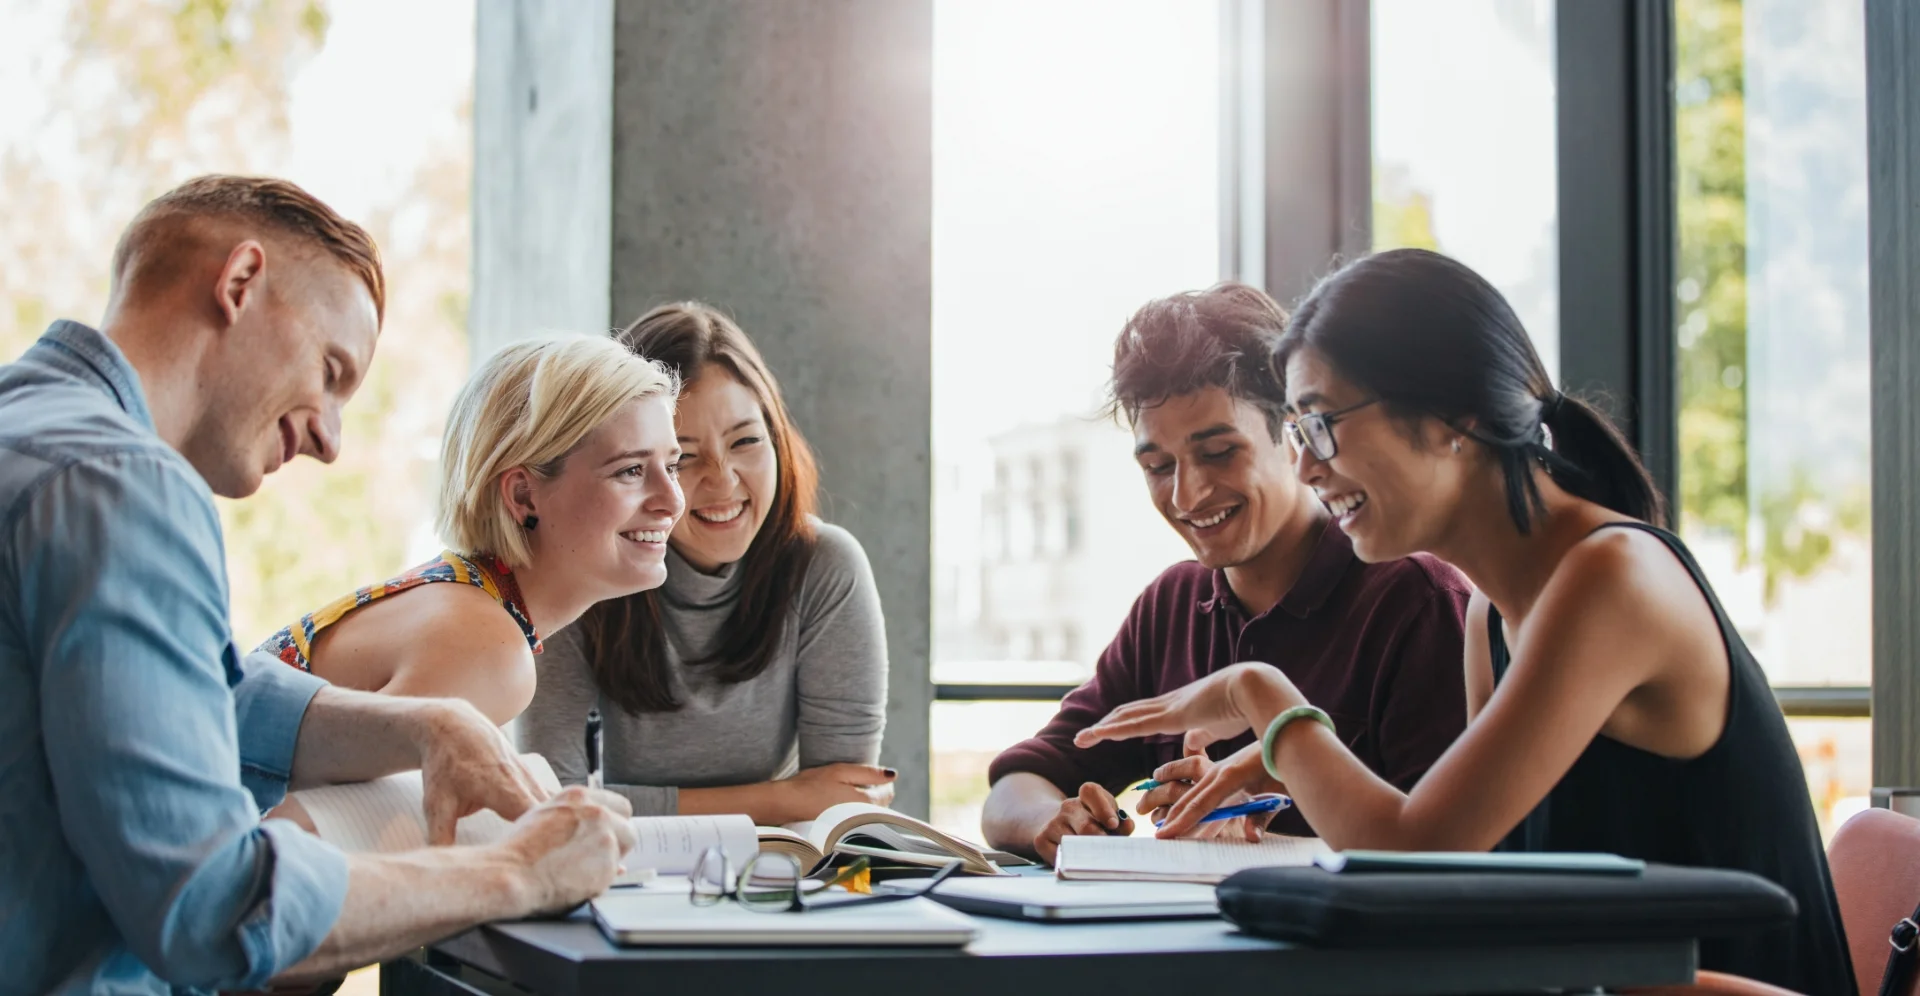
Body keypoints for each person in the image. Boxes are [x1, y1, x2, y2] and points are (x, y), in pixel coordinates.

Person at [1074, 249, 1854, 994]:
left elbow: (1411, 851)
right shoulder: (1493, 612)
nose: (1307, 467)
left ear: (1454, 416)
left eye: (1321, 424)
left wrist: (1263, 698)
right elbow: (1463, 878)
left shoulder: (1611, 578)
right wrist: (1287, 768)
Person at [0, 175, 638, 994]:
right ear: (240, 283)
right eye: (332, 371)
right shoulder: (123, 486)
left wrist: (426, 727)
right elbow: (213, 909)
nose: (330, 441)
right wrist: (520, 872)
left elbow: (189, 694)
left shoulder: (32, 437)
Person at [980, 282, 1472, 865]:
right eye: (1158, 466)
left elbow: (1443, 851)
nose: (1186, 494)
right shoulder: (1171, 606)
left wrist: (1268, 797)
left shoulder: (1415, 600)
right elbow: (1016, 786)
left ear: (1294, 435)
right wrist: (1054, 821)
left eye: (1218, 453)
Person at [518, 302, 892, 825]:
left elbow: (839, 803)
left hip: (777, 875)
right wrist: (780, 798)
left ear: (778, 439)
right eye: (683, 458)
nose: (723, 481)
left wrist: (799, 803)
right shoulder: (581, 569)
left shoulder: (825, 567)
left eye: (745, 441)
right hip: (619, 874)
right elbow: (554, 802)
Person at [256, 333, 685, 726]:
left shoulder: (469, 602)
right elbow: (296, 811)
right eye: (630, 470)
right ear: (522, 496)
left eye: (672, 466)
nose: (673, 500)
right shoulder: (487, 650)